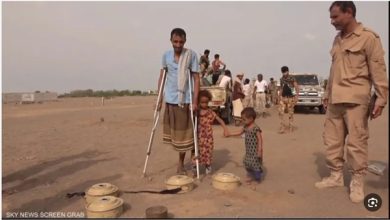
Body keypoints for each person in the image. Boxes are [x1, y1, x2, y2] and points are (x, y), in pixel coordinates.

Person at [314, 1, 388, 203]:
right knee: (332, 141)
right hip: (335, 99)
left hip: (356, 100)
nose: (332, 21)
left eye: (335, 16)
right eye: (331, 17)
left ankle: (357, 183)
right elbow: (333, 70)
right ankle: (335, 176)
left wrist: (381, 98)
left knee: (356, 144)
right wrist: (327, 95)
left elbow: (378, 69)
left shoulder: (368, 38)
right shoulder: (337, 40)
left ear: (349, 13)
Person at [157, 28, 200, 175]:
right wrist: (159, 97)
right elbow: (162, 76)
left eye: (181, 42)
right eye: (175, 41)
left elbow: (196, 78)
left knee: (185, 135)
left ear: (185, 42)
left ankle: (182, 164)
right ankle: (182, 163)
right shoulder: (166, 56)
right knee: (176, 136)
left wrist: (194, 101)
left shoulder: (191, 55)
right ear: (171, 41)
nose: (178, 44)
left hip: (185, 100)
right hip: (171, 100)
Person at [226, 107, 264, 185]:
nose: (243, 121)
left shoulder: (256, 128)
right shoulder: (245, 127)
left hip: (255, 151)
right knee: (247, 162)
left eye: (244, 119)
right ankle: (250, 176)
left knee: (255, 164)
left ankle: (257, 178)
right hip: (248, 151)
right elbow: (239, 133)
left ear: (251, 118)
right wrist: (229, 134)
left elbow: (260, 140)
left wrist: (259, 150)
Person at [197, 90, 229, 175]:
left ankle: (208, 166)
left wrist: (225, 129)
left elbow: (220, 120)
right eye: (202, 102)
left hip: (208, 137)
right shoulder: (196, 112)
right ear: (198, 102)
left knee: (208, 151)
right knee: (197, 151)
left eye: (206, 102)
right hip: (198, 137)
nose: (204, 104)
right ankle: (195, 166)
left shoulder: (211, 112)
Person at [278, 66, 299, 133]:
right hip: (283, 98)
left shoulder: (292, 78)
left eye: (285, 72)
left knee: (290, 113)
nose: (284, 73)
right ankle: (282, 128)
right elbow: (281, 88)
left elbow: (296, 87)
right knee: (281, 112)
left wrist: (296, 97)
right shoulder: (281, 79)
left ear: (288, 71)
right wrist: (279, 97)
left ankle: (291, 127)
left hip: (291, 98)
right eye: (283, 72)